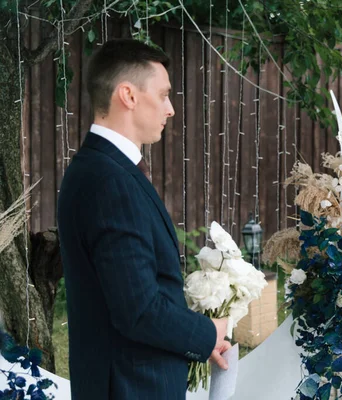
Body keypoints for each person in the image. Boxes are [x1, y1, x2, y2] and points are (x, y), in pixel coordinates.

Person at [57, 39, 230, 400]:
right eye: (164, 94)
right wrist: (206, 332)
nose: (170, 109)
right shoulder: (110, 182)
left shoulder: (102, 169)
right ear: (128, 96)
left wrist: (189, 342)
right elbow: (138, 310)